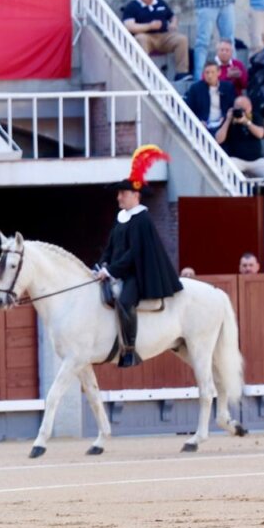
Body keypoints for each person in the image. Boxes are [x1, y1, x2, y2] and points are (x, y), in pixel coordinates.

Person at [92, 145, 183, 368]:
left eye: (122, 193)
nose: (118, 197)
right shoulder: (121, 217)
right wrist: (103, 263)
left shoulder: (142, 219)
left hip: (137, 273)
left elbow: (134, 254)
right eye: (119, 193)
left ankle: (130, 349)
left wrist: (112, 271)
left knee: (124, 301)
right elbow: (112, 245)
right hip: (117, 270)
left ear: (134, 195)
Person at [121, 0, 191, 81]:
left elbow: (172, 16)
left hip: (164, 36)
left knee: (181, 39)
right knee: (140, 39)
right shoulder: (132, 6)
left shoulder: (159, 2)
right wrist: (149, 26)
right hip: (146, 37)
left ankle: (182, 73)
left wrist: (173, 24)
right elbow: (129, 26)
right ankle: (144, 71)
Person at [215, 93, 264, 179]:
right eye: (238, 107)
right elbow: (218, 139)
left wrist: (246, 122)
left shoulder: (255, 117)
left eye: (243, 108)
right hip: (236, 159)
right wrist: (228, 120)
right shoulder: (229, 118)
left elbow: (260, 134)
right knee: (222, 171)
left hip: (256, 160)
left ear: (250, 107)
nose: (241, 111)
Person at [185, 60, 236, 130]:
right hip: (203, 125)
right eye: (207, 72)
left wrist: (224, 118)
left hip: (223, 125)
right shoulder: (196, 88)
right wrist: (199, 121)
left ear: (219, 72)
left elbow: (232, 106)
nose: (210, 75)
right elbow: (189, 108)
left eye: (212, 72)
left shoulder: (228, 87)